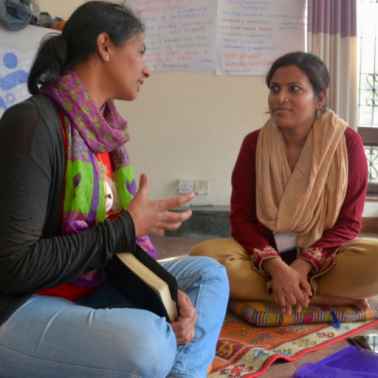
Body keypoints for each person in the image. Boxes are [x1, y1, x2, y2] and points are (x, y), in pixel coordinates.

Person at [0, 2, 229, 377]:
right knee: (148, 343)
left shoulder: (103, 136)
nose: (146, 69)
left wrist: (167, 291)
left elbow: (113, 249)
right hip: (23, 305)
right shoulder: (31, 124)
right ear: (105, 46)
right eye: (140, 53)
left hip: (89, 292)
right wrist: (127, 227)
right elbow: (14, 267)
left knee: (209, 275)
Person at [190, 51, 378, 315]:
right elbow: (241, 219)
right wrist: (276, 267)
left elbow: (349, 223)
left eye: (295, 89)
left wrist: (303, 264)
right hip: (264, 263)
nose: (280, 98)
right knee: (203, 256)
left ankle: (288, 289)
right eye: (275, 88)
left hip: (326, 261)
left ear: (320, 98)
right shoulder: (254, 144)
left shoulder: (346, 143)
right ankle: (316, 297)